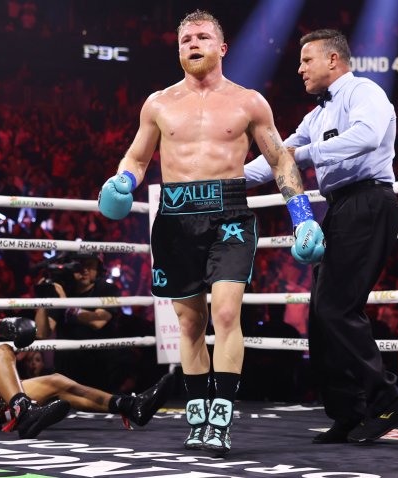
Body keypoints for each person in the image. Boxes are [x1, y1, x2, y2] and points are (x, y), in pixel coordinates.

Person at [97, 10, 323, 455]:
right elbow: (138, 158)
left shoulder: (250, 102)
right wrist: (121, 180)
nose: (192, 44)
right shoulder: (158, 103)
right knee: (190, 322)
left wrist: (302, 214)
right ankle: (197, 412)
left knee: (224, 315)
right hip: (176, 217)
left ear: (221, 48)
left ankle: (220, 417)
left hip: (230, 215)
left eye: (201, 37)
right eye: (185, 39)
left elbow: (280, 160)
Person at [243, 28, 398, 444]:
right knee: (320, 314)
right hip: (338, 207)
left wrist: (306, 154)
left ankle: (387, 398)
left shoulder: (364, 92)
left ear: (333, 60)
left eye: (306, 60)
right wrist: (223, 180)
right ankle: (348, 412)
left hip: (369, 201)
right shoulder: (316, 116)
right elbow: (276, 158)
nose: (299, 69)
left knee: (337, 306)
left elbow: (368, 137)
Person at [0, 280, 172, 438]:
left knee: (56, 382)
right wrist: (1, 326)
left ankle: (128, 406)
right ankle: (25, 413)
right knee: (2, 350)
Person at [35, 253, 123, 391]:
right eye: (80, 265)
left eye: (90, 265)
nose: (85, 270)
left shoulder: (107, 289)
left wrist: (66, 305)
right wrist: (42, 302)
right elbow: (41, 333)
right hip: (66, 370)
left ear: (98, 268)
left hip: (99, 369)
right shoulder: (63, 290)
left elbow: (98, 321)